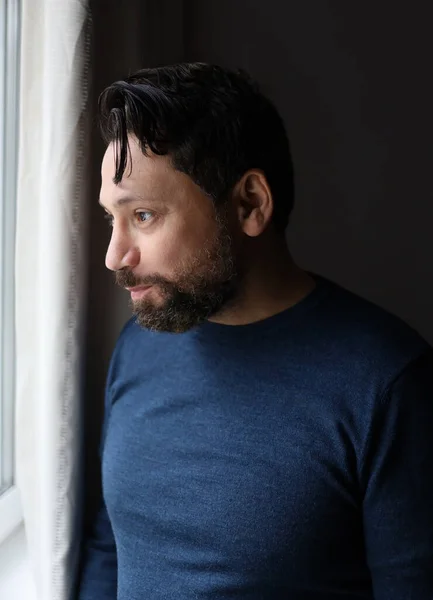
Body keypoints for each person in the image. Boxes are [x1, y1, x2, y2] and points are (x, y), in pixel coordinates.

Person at [78, 63, 433, 600]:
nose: (114, 257)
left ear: (250, 203)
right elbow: (111, 545)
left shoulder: (388, 383)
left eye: (144, 215)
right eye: (112, 218)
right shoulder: (139, 347)